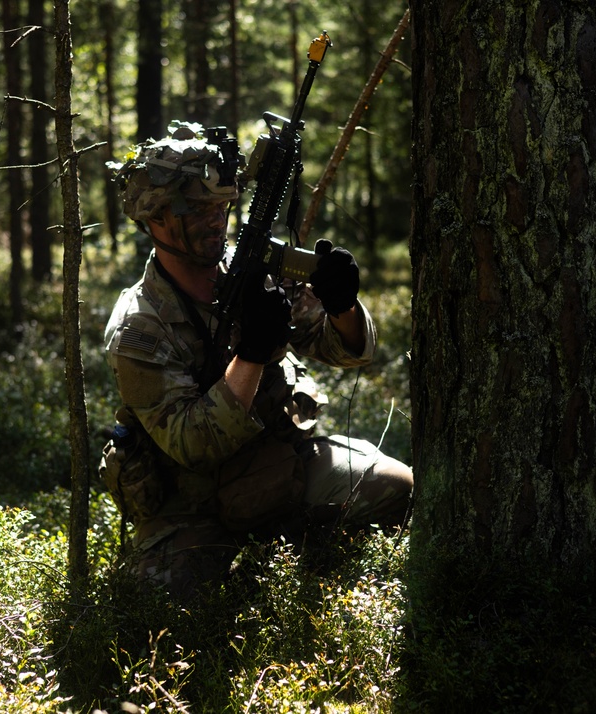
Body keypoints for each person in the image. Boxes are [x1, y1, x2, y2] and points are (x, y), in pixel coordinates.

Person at [101, 120, 412, 599]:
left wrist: (342, 305)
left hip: (282, 462)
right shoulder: (140, 327)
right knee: (167, 602)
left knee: (402, 489)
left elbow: (347, 352)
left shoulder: (251, 268)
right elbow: (193, 445)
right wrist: (252, 355)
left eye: (221, 207)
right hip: (194, 501)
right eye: (198, 210)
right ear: (156, 219)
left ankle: (296, 544)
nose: (215, 221)